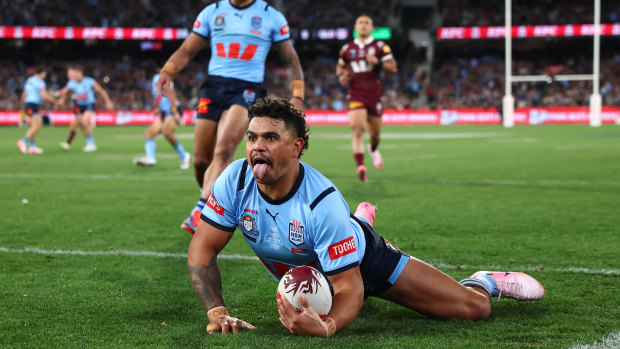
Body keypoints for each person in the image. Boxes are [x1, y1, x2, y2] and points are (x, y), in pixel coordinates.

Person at [188, 97, 545, 336]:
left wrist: (325, 327)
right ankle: (356, 224)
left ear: (297, 147)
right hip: (319, 271)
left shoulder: (321, 203)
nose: (256, 147)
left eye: (270, 137)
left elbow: (350, 289)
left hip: (365, 261)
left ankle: (486, 280)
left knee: (475, 310)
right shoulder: (234, 180)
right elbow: (201, 250)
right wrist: (217, 314)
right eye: (251, 138)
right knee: (333, 254)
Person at [155, 0, 305, 235]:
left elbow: (290, 59)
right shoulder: (212, 12)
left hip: (247, 88)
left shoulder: (270, 16)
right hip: (213, 87)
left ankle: (201, 210)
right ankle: (212, 199)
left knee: (224, 148)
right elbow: (187, 50)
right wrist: (167, 71)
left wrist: (298, 95)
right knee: (200, 161)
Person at [336, 15, 398, 182]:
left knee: (375, 135)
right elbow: (340, 65)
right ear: (356, 26)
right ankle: (361, 166)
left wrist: (377, 62)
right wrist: (342, 75)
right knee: (357, 129)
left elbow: (393, 68)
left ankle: (373, 147)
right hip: (356, 92)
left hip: (374, 94)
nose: (363, 25)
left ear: (372, 28)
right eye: (360, 23)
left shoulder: (380, 46)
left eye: (367, 23)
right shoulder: (347, 48)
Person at [133, 60, 191, 169]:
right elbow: (163, 97)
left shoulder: (158, 79)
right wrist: (159, 109)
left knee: (166, 132)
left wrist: (175, 111)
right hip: (165, 112)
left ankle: (184, 156)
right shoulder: (156, 79)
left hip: (172, 111)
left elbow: (170, 93)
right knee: (149, 133)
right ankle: (150, 158)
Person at [55, 65, 114, 152]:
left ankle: (91, 144)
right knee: (77, 125)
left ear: (81, 73)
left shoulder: (89, 81)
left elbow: (101, 91)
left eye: (76, 73)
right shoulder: (72, 83)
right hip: (79, 106)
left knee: (84, 122)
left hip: (89, 104)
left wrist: (108, 102)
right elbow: (65, 92)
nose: (74, 75)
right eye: (73, 73)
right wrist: (59, 98)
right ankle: (87, 143)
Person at [17, 66, 56, 154]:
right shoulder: (40, 82)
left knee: (35, 125)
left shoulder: (29, 80)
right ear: (42, 73)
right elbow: (44, 95)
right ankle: (23, 141)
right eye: (45, 74)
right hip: (33, 104)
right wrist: (54, 102)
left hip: (28, 104)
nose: (45, 76)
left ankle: (32, 147)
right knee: (37, 125)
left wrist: (22, 106)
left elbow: (24, 94)